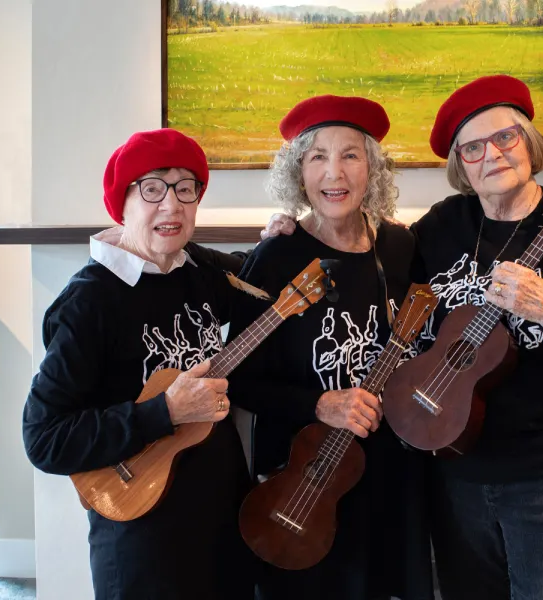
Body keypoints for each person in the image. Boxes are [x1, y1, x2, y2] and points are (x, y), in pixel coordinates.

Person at [261, 75, 543, 600]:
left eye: (505, 138)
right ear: (461, 166)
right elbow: (362, 255)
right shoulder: (442, 228)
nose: (492, 155)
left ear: (530, 143)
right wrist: (286, 234)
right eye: (473, 147)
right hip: (454, 478)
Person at [22, 128, 255, 600]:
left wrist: (280, 234)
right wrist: (164, 412)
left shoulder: (202, 273)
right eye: (152, 187)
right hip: (142, 542)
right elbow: (44, 438)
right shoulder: (89, 301)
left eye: (186, 188)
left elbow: (264, 285)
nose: (171, 206)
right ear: (122, 201)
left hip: (222, 524)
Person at [227, 95, 434, 600]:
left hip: (389, 475)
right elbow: (237, 378)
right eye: (317, 156)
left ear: (372, 169)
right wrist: (319, 403)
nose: (333, 172)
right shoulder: (278, 255)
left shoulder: (400, 247)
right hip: (304, 487)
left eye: (350, 155)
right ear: (299, 171)